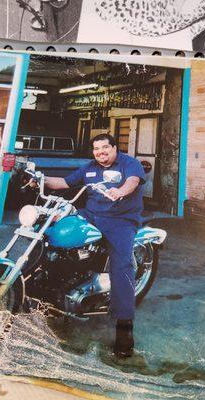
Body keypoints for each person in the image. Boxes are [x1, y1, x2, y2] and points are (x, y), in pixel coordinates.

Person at [41, 133, 145, 358]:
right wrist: (39, 178)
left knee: (122, 266)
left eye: (105, 147)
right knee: (50, 233)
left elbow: (132, 182)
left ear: (115, 148)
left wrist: (120, 191)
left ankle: (124, 328)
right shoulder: (89, 167)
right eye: (97, 149)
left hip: (121, 220)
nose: (101, 152)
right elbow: (63, 183)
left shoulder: (129, 163)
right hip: (90, 214)